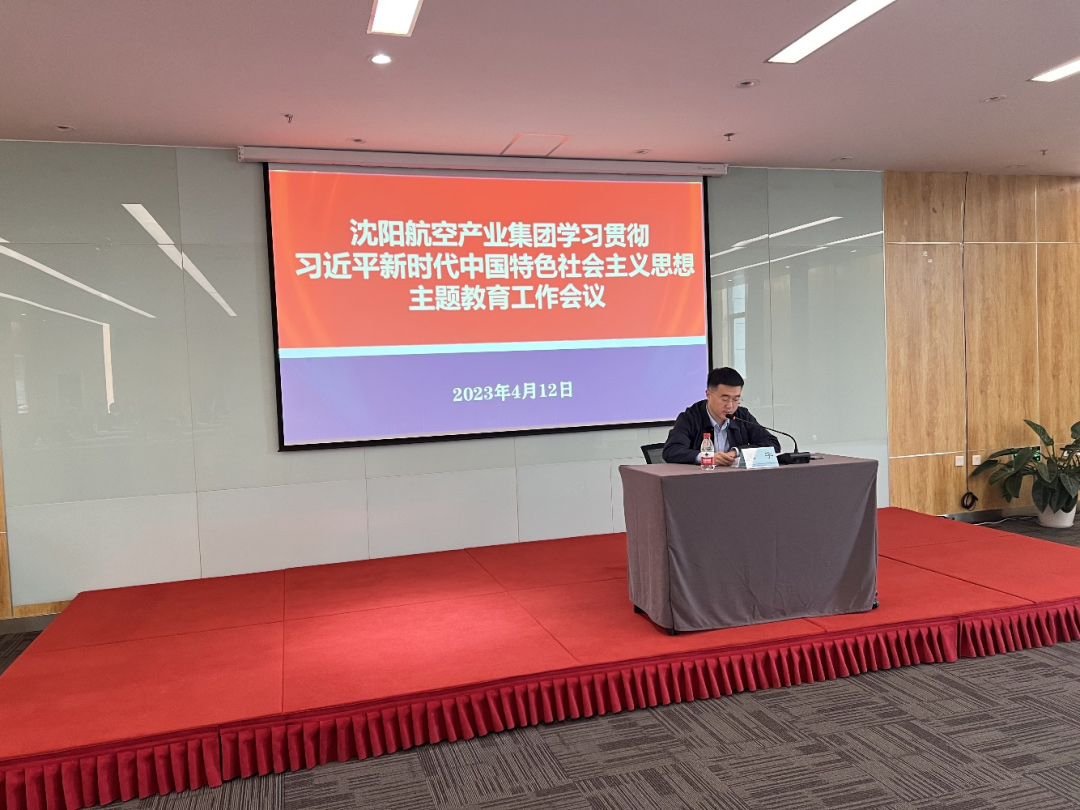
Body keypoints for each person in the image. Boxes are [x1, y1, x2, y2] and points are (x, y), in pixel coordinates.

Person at [662, 367, 780, 465]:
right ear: (708, 395)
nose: (730, 406)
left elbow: (772, 444)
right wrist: (708, 457)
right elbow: (671, 451)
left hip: (736, 479)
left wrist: (736, 452)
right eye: (725, 399)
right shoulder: (690, 418)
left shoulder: (742, 416)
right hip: (699, 480)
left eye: (736, 399)